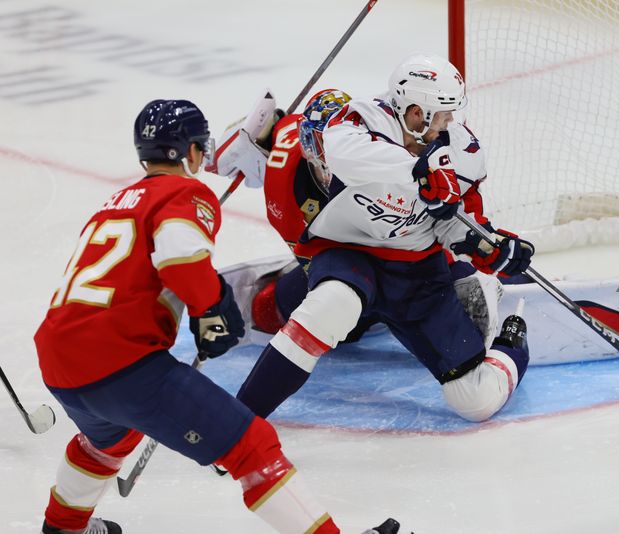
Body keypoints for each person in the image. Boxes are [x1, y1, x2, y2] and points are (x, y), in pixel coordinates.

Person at [33, 99, 399, 534]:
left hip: (58, 359)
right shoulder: (185, 191)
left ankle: (63, 528)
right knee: (252, 446)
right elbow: (180, 256)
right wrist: (211, 308)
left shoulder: (114, 202)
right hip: (120, 364)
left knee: (109, 437)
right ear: (188, 152)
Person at [234, 54, 535, 423]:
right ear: (414, 112)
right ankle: (239, 422)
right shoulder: (361, 119)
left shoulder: (462, 152)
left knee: (475, 401)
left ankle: (511, 341)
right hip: (349, 254)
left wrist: (488, 245)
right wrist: (418, 171)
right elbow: (342, 152)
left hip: (416, 273)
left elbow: (458, 224)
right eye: (442, 113)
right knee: (331, 304)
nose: (450, 122)